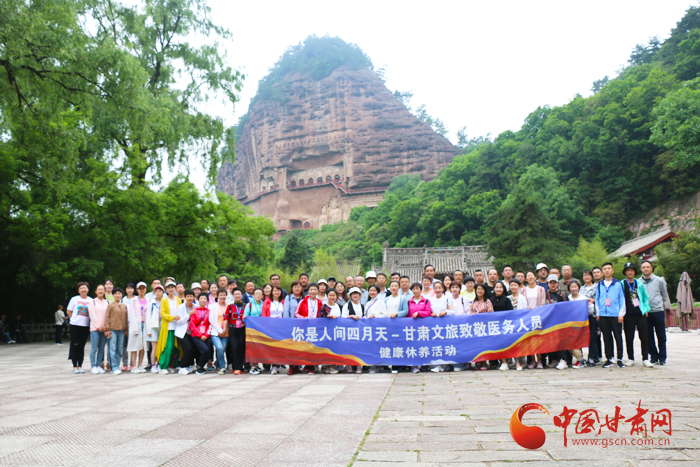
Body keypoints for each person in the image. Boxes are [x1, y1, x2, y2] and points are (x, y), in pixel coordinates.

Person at [620, 262, 653, 368]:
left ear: (635, 272)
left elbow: (645, 297)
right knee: (629, 337)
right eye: (628, 270)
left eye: (632, 270)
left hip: (640, 313)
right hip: (628, 315)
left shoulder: (639, 284)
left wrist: (646, 309)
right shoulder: (621, 284)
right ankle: (630, 358)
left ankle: (645, 358)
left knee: (644, 336)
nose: (630, 272)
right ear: (625, 272)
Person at [596, 262, 626, 369]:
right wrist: (598, 313)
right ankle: (609, 358)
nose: (607, 270)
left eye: (609, 268)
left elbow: (622, 299)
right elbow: (597, 299)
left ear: (612, 271)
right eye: (605, 269)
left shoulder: (618, 284)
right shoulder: (600, 285)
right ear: (602, 272)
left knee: (618, 337)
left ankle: (619, 359)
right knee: (606, 337)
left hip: (615, 315)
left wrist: (621, 314)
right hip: (604, 315)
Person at [640, 260, 671, 366]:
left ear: (651, 268)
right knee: (648, 336)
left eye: (648, 267)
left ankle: (662, 357)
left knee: (661, 335)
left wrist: (663, 306)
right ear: (641, 269)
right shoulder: (638, 282)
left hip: (658, 311)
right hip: (646, 313)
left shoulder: (659, 280)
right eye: (644, 267)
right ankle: (653, 356)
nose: (646, 269)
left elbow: (664, 295)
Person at [157, 280, 182, 375]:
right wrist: (172, 317)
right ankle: (163, 366)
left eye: (172, 287)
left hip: (177, 327)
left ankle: (172, 365)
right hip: (168, 327)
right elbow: (162, 313)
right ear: (166, 289)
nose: (171, 289)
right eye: (169, 288)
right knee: (167, 347)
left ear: (175, 289)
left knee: (175, 347)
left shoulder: (178, 300)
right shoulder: (164, 300)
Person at [67, 282, 93, 374]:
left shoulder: (91, 300)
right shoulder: (74, 299)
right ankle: (75, 366)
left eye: (85, 288)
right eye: (81, 288)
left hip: (85, 326)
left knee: (82, 346)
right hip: (75, 326)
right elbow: (69, 311)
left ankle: (80, 366)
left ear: (88, 290)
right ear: (78, 290)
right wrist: (74, 319)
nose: (83, 289)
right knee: (75, 345)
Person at [408, 282, 432, 373]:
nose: (415, 291)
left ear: (421, 290)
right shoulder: (409, 302)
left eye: (417, 289)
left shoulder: (426, 301)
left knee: (424, 345)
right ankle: (414, 366)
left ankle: (424, 365)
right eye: (414, 289)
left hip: (424, 327)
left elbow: (428, 312)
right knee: (414, 346)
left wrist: (419, 313)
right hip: (412, 327)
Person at [491, 281, 513, 371]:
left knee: (504, 344)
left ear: (503, 289)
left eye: (500, 287)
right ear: (494, 289)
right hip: (494, 326)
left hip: (504, 325)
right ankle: (499, 362)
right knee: (496, 345)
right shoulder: (490, 300)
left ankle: (505, 362)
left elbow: (511, 312)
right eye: (497, 287)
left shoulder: (506, 299)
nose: (498, 289)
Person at [104, 288, 128, 374]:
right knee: (112, 348)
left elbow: (126, 318)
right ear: (113, 295)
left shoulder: (124, 306)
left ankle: (117, 366)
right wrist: (107, 329)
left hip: (121, 330)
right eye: (116, 294)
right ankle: (113, 367)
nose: (118, 295)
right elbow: (107, 317)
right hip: (112, 330)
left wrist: (126, 329)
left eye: (119, 293)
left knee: (119, 349)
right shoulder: (110, 305)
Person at [263, 285, 285, 375]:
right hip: (270, 327)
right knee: (271, 347)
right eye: (275, 290)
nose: (277, 292)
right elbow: (264, 315)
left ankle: (277, 364)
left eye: (279, 290)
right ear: (271, 292)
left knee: (279, 347)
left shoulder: (283, 302)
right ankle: (273, 366)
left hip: (281, 328)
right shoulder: (267, 302)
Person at [127, 282, 149, 373]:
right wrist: (134, 327)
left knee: (143, 346)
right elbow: (131, 314)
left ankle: (140, 365)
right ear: (137, 290)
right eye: (140, 288)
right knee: (134, 345)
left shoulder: (148, 300)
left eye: (143, 288)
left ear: (146, 289)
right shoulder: (134, 300)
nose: (142, 290)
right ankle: (134, 366)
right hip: (136, 323)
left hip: (145, 323)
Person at [566, 280, 588, 369]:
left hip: (580, 324)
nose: (574, 289)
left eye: (575, 286)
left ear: (578, 287)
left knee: (576, 343)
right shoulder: (568, 298)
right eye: (572, 287)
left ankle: (580, 360)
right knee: (568, 342)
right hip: (569, 324)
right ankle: (581, 359)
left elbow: (589, 310)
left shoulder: (583, 298)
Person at [88, 284, 109, 374]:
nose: (100, 291)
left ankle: (99, 365)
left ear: (104, 292)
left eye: (102, 289)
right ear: (96, 291)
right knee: (94, 347)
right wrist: (98, 326)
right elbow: (92, 315)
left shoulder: (108, 302)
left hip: (105, 328)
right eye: (99, 289)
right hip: (95, 328)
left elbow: (108, 316)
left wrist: (105, 327)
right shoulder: (92, 302)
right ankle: (93, 366)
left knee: (101, 348)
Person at [508, 279, 529, 371]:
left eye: (515, 285)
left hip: (519, 323)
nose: (513, 287)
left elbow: (523, 310)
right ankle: (515, 361)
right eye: (511, 285)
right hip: (510, 324)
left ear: (519, 287)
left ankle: (519, 362)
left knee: (519, 343)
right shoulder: (508, 298)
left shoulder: (522, 298)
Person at [189, 293, 212, 375]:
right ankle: (199, 367)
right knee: (204, 350)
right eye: (201, 298)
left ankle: (201, 366)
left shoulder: (209, 311)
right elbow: (192, 325)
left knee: (208, 352)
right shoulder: (194, 311)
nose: (203, 300)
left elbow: (211, 324)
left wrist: (206, 335)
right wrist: (200, 335)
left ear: (207, 300)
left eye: (204, 298)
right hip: (196, 335)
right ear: (198, 300)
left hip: (206, 335)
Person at [225, 288, 247, 375]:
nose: (237, 295)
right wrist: (225, 330)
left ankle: (240, 367)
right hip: (233, 329)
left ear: (242, 295)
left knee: (242, 347)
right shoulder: (230, 306)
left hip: (242, 329)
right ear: (233, 296)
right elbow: (226, 318)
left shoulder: (246, 306)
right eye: (235, 294)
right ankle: (235, 367)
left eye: (239, 294)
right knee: (234, 348)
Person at [579, 269, 599, 366]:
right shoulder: (581, 289)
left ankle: (592, 357)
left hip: (593, 315)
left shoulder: (596, 287)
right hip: (583, 316)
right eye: (584, 275)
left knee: (592, 337)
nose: (586, 277)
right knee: (583, 336)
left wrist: (593, 300)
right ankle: (582, 357)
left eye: (588, 275)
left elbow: (600, 299)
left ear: (591, 276)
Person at [243, 288, 265, 375]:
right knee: (253, 347)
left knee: (260, 347)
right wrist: (245, 318)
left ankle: (257, 365)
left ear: (262, 296)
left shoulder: (265, 304)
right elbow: (245, 317)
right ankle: (253, 366)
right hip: (252, 330)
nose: (258, 295)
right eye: (257, 293)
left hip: (262, 330)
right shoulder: (249, 305)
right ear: (253, 295)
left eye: (260, 294)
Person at [174, 289, 196, 375]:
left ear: (194, 297)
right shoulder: (181, 307)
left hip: (192, 331)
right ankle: (182, 367)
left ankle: (188, 365)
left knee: (192, 349)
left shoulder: (195, 306)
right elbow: (179, 321)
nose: (190, 298)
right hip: (182, 332)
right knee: (188, 348)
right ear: (185, 297)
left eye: (191, 296)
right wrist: (189, 315)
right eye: (188, 296)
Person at [209, 288, 230, 374]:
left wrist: (225, 330)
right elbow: (211, 319)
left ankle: (218, 363)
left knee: (223, 348)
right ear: (217, 296)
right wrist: (220, 330)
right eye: (220, 295)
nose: (222, 296)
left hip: (226, 332)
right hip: (216, 332)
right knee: (220, 348)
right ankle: (222, 367)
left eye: (224, 295)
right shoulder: (213, 306)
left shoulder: (229, 306)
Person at [146, 284, 164, 373]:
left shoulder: (165, 302)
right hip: (153, 326)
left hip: (163, 325)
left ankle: (160, 364)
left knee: (161, 346)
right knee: (154, 347)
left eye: (160, 291)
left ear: (162, 292)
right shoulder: (151, 303)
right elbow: (148, 316)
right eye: (156, 291)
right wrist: (148, 330)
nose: (158, 293)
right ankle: (153, 365)